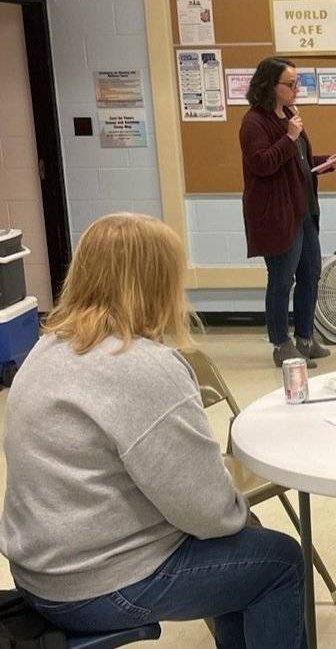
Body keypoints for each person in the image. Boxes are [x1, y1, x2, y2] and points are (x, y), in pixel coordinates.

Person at [0, 213, 305, 647]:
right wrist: (240, 518)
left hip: (39, 572)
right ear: (156, 284)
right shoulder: (142, 367)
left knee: (243, 558)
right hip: (93, 586)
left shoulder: (48, 347)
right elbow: (206, 511)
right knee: (280, 562)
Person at [240, 55, 336, 368]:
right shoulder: (254, 122)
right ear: (270, 86)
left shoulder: (288, 115)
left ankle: (305, 338)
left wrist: (324, 163)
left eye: (298, 82)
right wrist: (290, 136)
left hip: (303, 211)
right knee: (282, 279)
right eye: (291, 84)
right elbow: (262, 164)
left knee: (311, 274)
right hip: (278, 215)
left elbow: (295, 162)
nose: (297, 88)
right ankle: (281, 343)